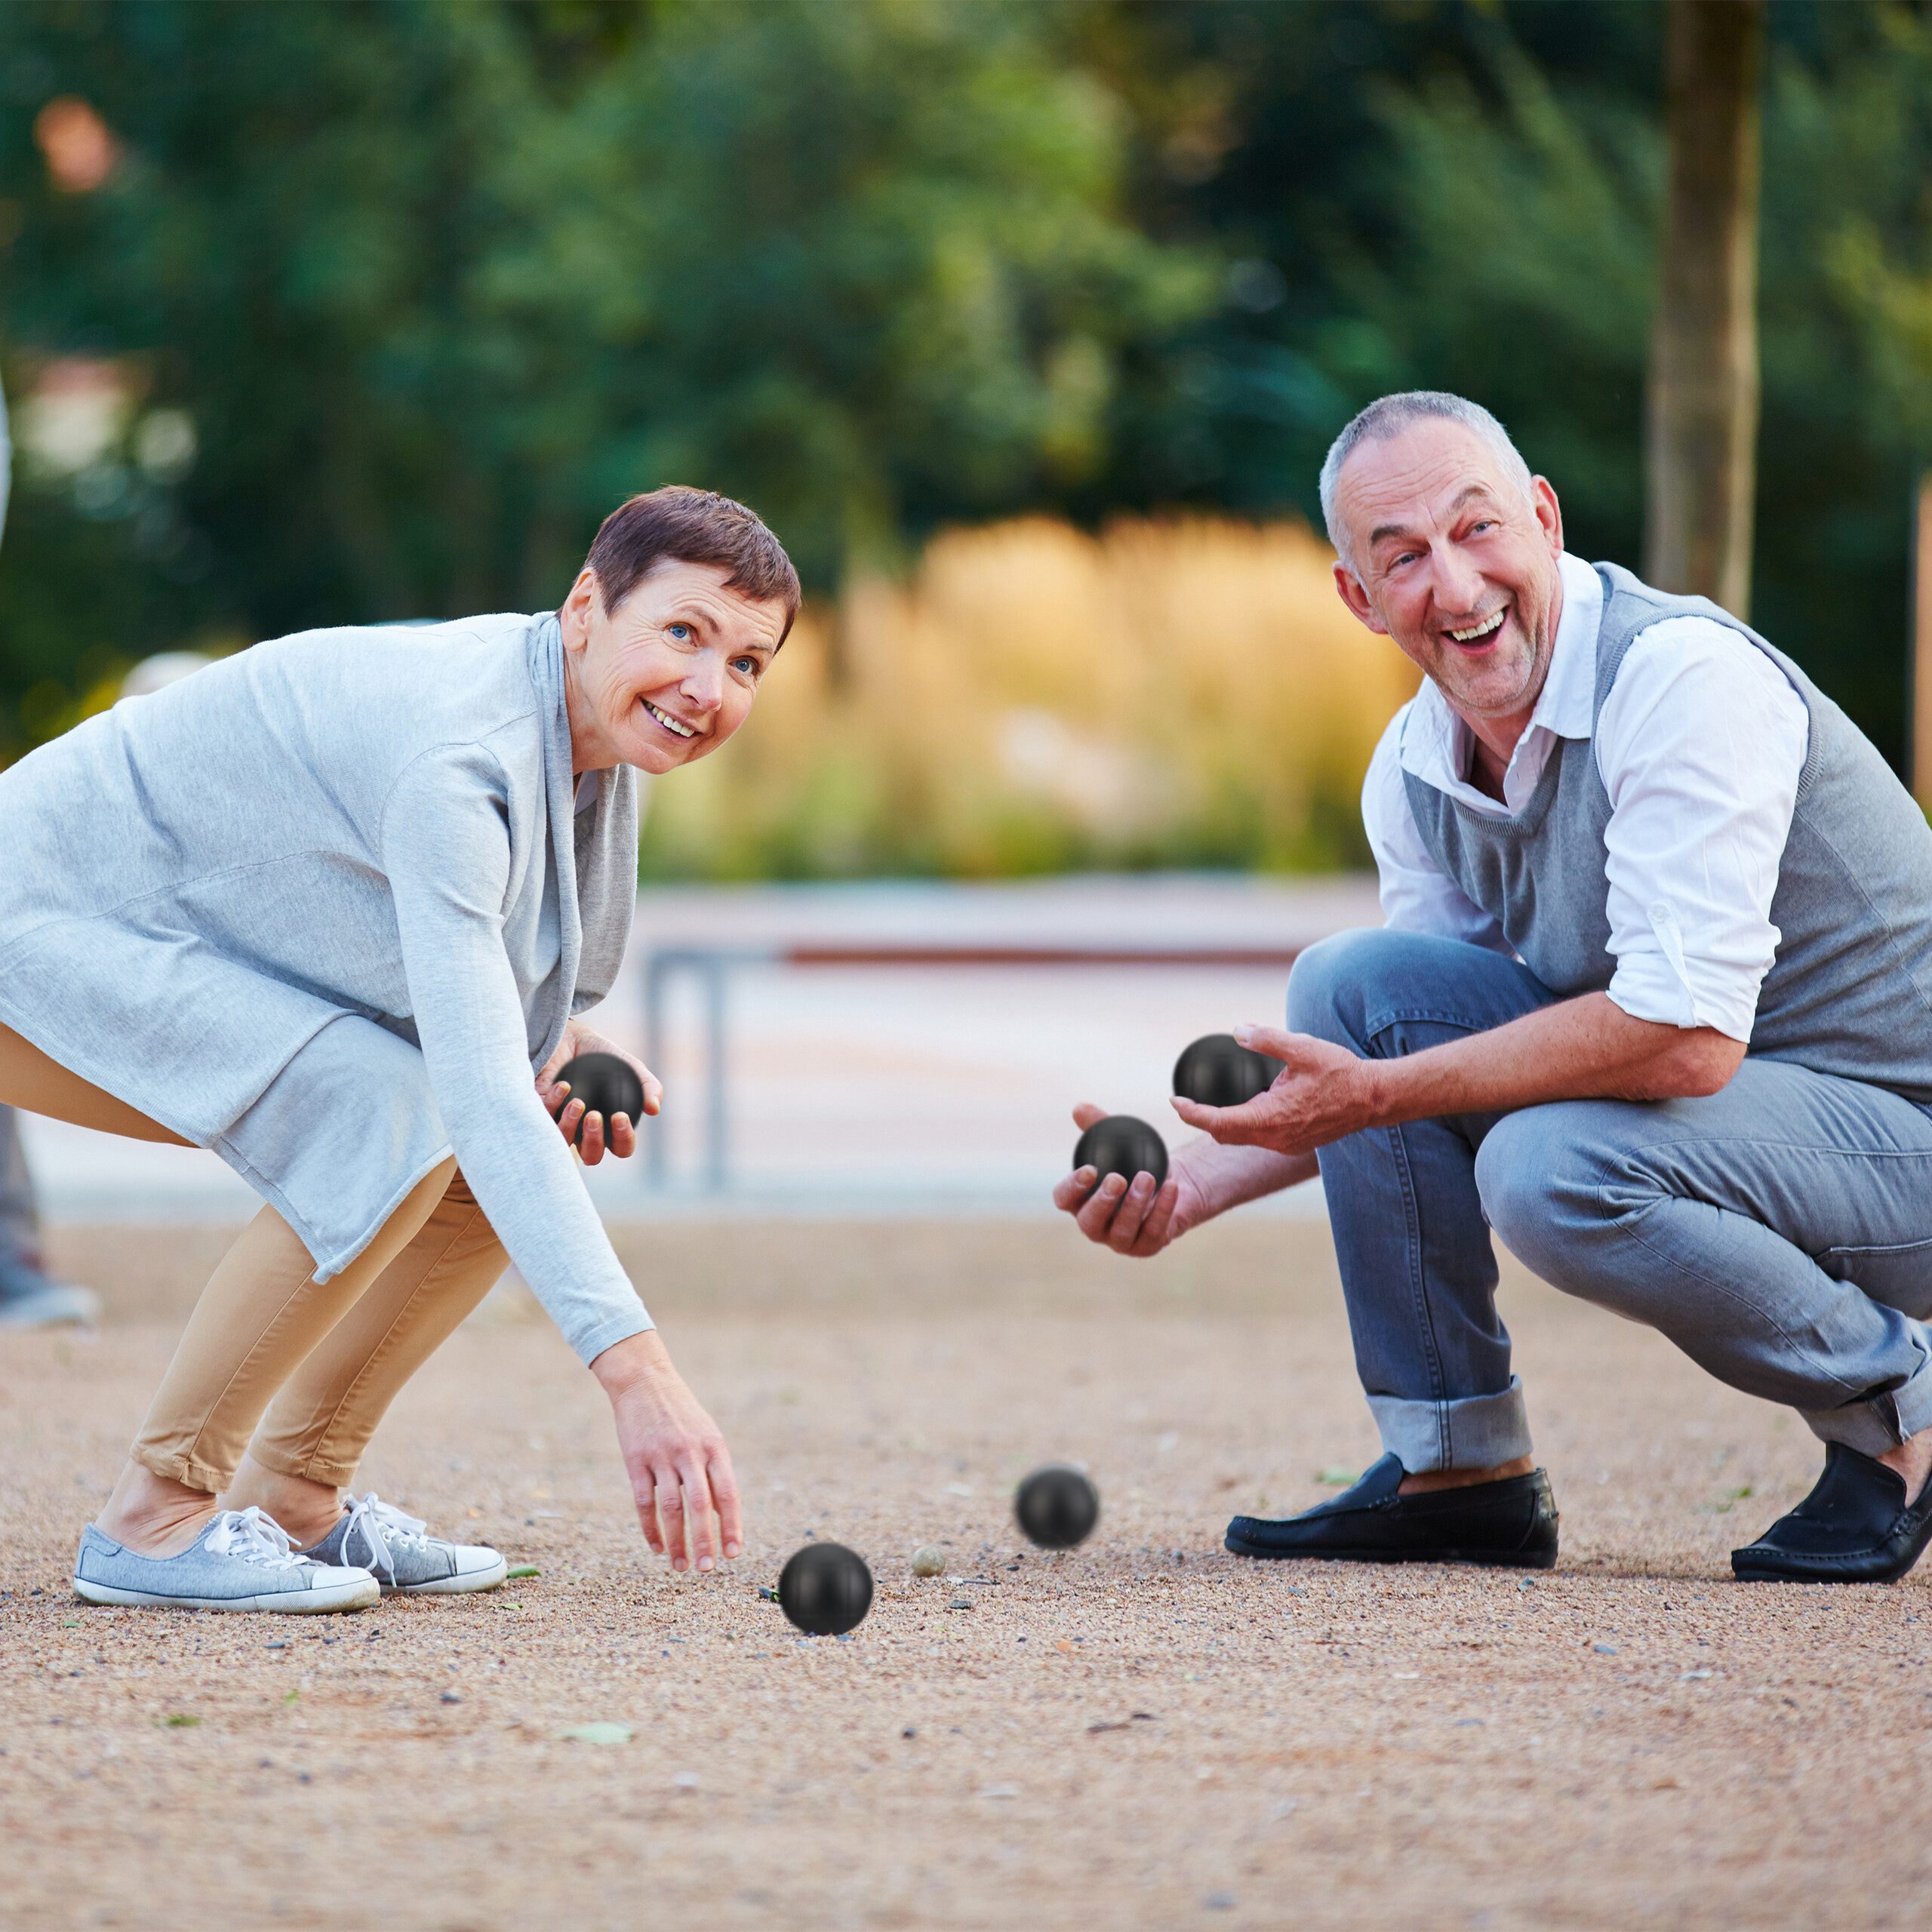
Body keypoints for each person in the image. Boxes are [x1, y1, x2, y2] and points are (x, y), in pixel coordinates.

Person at [1058, 390, 1932, 1586]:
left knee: (1552, 1168)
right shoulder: (1416, 768)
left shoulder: (1678, 681)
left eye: (1478, 529)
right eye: (1403, 557)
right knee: (1354, 986)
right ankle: (1457, 1469)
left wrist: (1375, 1093)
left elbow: (1684, 1040)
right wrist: (1202, 1181)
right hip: (1756, 1134)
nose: (1457, 585)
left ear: (1545, 521)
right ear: (1359, 599)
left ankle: (1901, 1419)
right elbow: (1407, 1075)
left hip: (1906, 1138)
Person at [0, 485, 795, 1612]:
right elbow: (471, 1083)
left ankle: (296, 1497)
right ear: (585, 609)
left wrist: (559, 1039)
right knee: (389, 1109)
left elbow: (485, 1024)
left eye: (747, 663)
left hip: (149, 936)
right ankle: (153, 1521)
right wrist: (639, 1374)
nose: (708, 688)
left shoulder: (590, 739)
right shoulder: (464, 755)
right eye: (683, 632)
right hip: (42, 922)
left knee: (486, 1141)